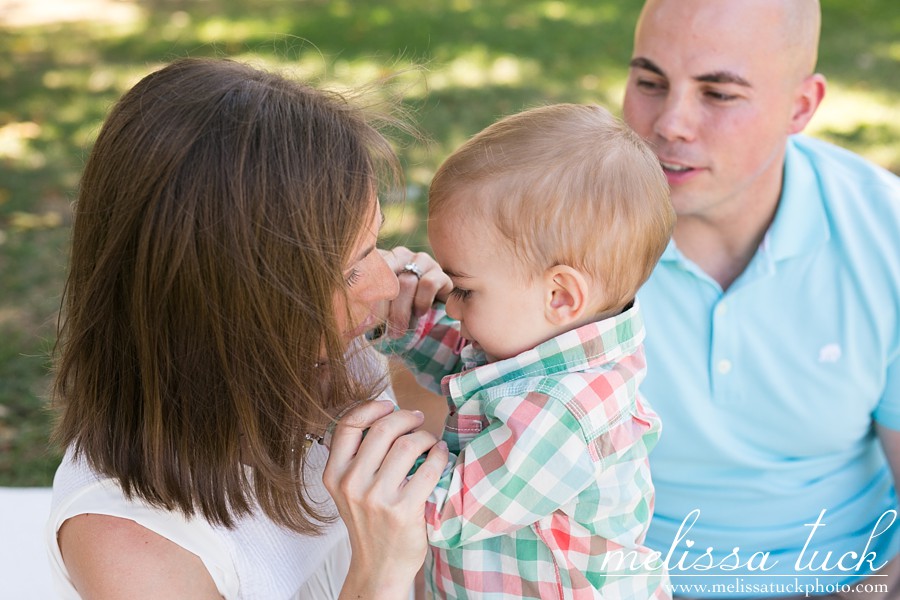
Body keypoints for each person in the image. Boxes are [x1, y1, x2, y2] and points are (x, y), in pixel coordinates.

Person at [45, 57, 451, 599]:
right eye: (352, 267)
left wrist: (443, 351)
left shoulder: (346, 353)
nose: (386, 282)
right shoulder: (132, 543)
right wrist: (377, 575)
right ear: (233, 304)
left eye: (375, 241)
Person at [622, 0, 900, 597]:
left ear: (801, 107)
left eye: (718, 93)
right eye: (649, 82)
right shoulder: (558, 230)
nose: (670, 122)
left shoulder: (887, 233)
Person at [378, 103, 676, 598]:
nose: (451, 305)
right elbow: (461, 361)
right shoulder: (539, 347)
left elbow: (444, 509)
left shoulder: (562, 413)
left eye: (466, 290)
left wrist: (360, 435)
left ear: (560, 295)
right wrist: (399, 322)